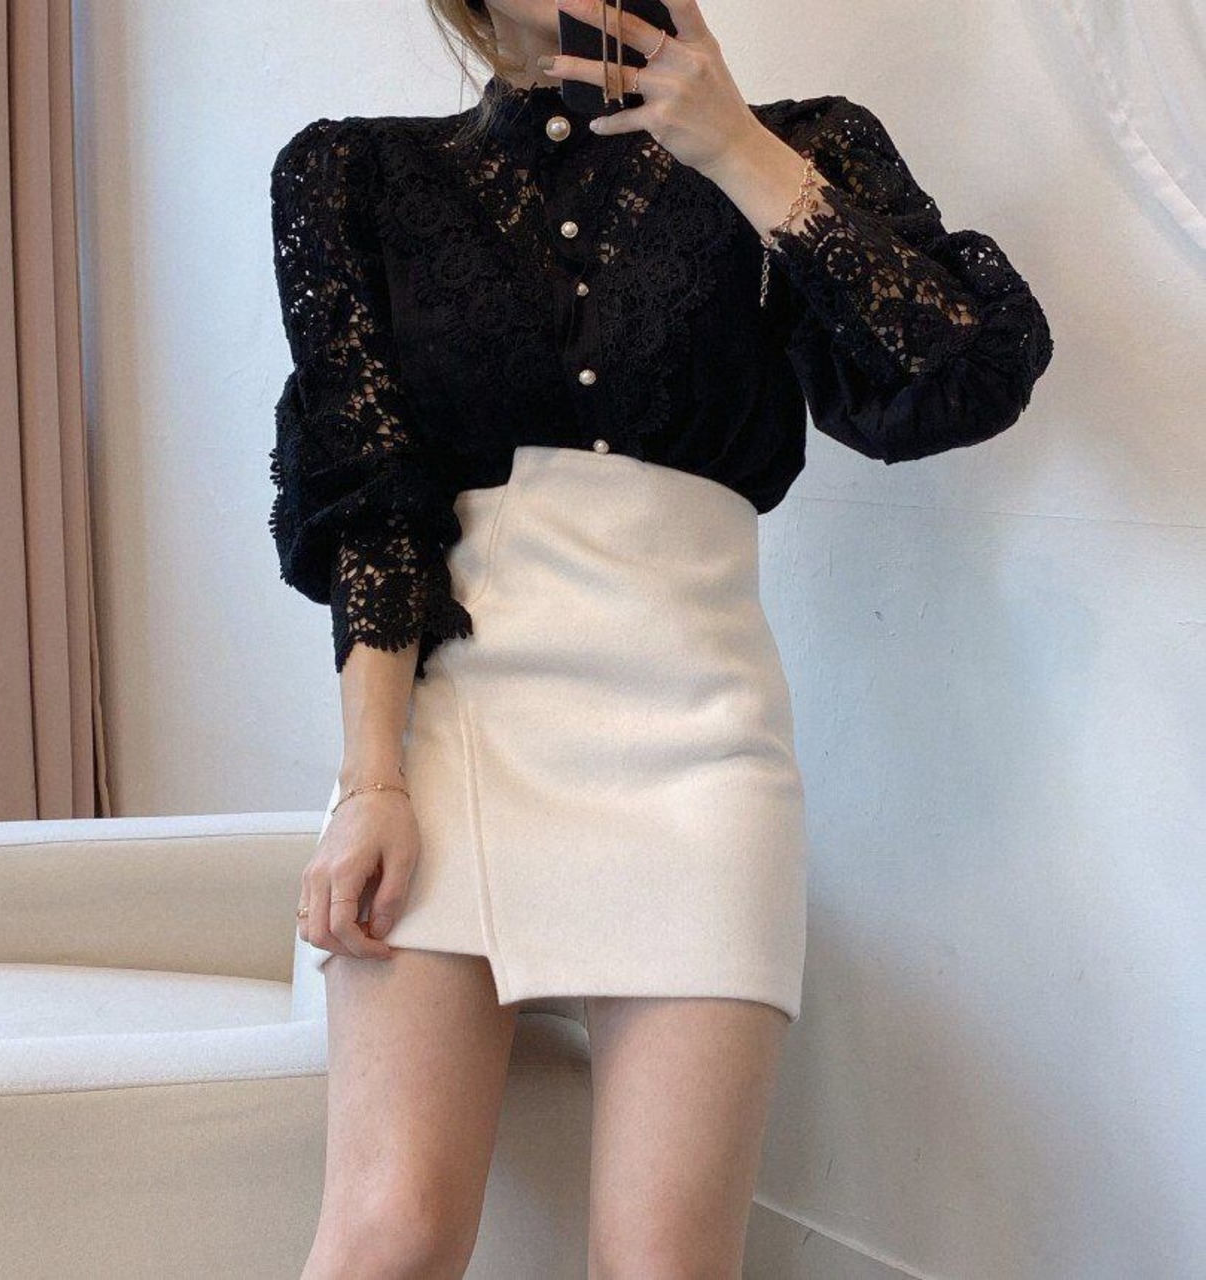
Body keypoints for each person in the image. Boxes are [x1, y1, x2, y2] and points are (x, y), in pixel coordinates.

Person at [268, 0, 1053, 1274]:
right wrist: (371, 780)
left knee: (663, 1262)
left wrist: (735, 146)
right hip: (451, 730)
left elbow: (959, 377)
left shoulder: (804, 146)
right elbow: (370, 499)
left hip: (700, 748)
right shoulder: (351, 175)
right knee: (388, 1230)